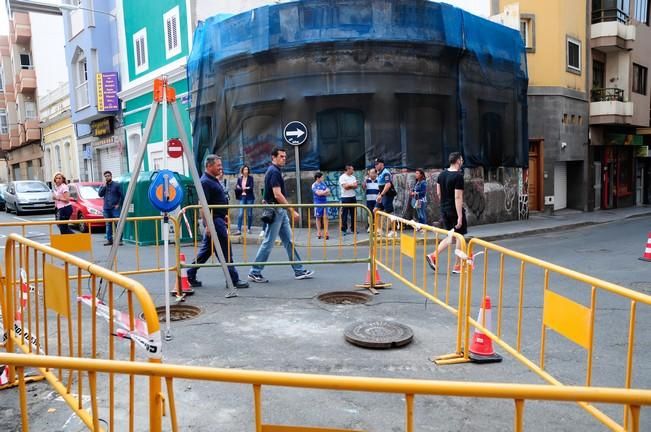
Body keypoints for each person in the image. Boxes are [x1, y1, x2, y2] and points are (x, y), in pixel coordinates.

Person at [248, 147, 314, 283]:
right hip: (277, 211)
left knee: (289, 241)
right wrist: (291, 209)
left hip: (279, 211)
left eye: (285, 156)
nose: (284, 158)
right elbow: (277, 194)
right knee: (268, 242)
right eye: (281, 156)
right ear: (274, 157)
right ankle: (255, 272)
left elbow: (269, 191)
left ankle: (299, 270)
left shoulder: (274, 171)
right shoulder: (274, 172)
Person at [187, 155, 249, 289]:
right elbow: (202, 205)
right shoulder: (205, 182)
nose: (221, 168)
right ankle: (232, 279)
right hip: (214, 222)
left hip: (218, 220)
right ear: (209, 166)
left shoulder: (212, 180)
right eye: (218, 165)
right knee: (226, 250)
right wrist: (208, 226)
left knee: (206, 251)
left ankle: (190, 274)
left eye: (220, 165)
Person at [426, 152, 467, 275]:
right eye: (462, 160)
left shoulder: (442, 175)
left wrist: (444, 205)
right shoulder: (458, 176)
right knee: (460, 236)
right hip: (454, 210)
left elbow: (438, 193)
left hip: (444, 209)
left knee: (452, 237)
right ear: (458, 161)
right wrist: (460, 216)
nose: (462, 162)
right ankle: (457, 265)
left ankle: (433, 255)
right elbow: (458, 197)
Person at [98, 170, 123, 246]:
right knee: (108, 224)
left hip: (115, 208)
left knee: (117, 223)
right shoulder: (103, 185)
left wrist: (118, 204)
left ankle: (119, 240)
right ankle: (109, 240)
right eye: (106, 176)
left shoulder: (116, 185)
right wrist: (104, 186)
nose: (107, 177)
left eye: (108, 176)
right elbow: (100, 194)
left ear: (111, 176)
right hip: (106, 208)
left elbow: (121, 195)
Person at [374, 158, 396, 236]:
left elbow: (388, 185)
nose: (375, 165)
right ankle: (380, 230)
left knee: (389, 213)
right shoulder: (379, 173)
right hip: (382, 195)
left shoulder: (386, 173)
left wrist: (381, 195)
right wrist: (379, 194)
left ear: (381, 164)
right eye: (375, 164)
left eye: (377, 164)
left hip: (388, 195)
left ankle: (393, 231)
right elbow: (381, 186)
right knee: (376, 210)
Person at [234, 165, 255, 235]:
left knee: (249, 214)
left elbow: (251, 187)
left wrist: (244, 188)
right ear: (242, 171)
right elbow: (237, 187)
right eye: (245, 170)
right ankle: (239, 230)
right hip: (242, 197)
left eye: (247, 170)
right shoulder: (240, 178)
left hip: (249, 197)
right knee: (240, 214)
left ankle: (249, 228)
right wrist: (245, 188)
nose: (246, 171)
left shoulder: (251, 178)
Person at [338, 164, 358, 235]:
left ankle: (353, 228)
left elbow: (356, 186)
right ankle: (344, 229)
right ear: (348, 169)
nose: (353, 170)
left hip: (353, 197)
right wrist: (351, 185)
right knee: (344, 214)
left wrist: (349, 185)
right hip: (345, 198)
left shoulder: (353, 177)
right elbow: (345, 187)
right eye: (352, 169)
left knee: (354, 214)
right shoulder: (342, 177)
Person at [311, 172, 330, 239]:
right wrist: (324, 192)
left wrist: (323, 193)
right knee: (318, 217)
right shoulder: (314, 185)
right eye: (322, 177)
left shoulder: (323, 184)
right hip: (317, 203)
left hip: (324, 202)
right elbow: (318, 194)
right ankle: (319, 232)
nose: (323, 178)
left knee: (326, 217)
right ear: (317, 178)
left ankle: (326, 232)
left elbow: (328, 193)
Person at [362, 168, 379, 232]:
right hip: (369, 200)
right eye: (370, 173)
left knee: (376, 214)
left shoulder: (379, 180)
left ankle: (377, 227)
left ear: (375, 174)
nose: (371, 174)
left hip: (377, 200)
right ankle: (370, 226)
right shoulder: (367, 180)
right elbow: (363, 187)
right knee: (370, 214)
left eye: (373, 173)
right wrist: (365, 180)